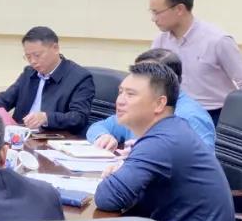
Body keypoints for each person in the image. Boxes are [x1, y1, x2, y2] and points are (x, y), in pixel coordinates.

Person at [94, 61, 235, 221]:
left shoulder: (162, 141)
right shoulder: (171, 129)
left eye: (131, 94)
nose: (120, 100)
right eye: (120, 92)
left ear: (160, 103)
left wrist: (117, 176)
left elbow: (107, 198)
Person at [149, 0, 242, 125]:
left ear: (179, 9)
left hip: (215, 114)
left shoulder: (217, 40)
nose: (153, 19)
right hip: (176, 112)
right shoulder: (160, 41)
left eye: (157, 12)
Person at [87, 49, 216, 151]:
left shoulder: (191, 117)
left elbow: (199, 166)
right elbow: (99, 126)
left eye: (143, 75)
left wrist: (148, 154)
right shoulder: (138, 105)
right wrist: (102, 137)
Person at [0, 26, 94, 135]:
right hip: (21, 136)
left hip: (53, 138)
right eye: (28, 57)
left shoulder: (80, 77)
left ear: (55, 48)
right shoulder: (29, 73)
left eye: (37, 55)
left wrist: (46, 118)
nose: (33, 61)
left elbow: (79, 117)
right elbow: (5, 99)